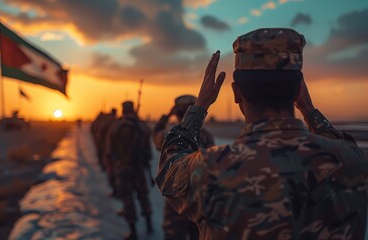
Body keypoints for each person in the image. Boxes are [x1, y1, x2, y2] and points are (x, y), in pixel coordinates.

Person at [156, 28, 368, 239]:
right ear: (298, 91)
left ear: (237, 93)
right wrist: (310, 112)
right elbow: (345, 147)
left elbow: (170, 167)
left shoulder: (211, 169)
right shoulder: (351, 162)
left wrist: (200, 106)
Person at [153, 95, 214, 240]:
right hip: (200, 201)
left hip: (177, 201)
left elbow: (155, 135)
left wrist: (167, 115)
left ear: (177, 112)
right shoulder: (207, 136)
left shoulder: (171, 136)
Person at [106, 101, 154, 240]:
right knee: (143, 195)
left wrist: (111, 167)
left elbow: (110, 151)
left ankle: (133, 232)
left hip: (123, 167)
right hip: (139, 167)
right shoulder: (142, 127)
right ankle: (149, 225)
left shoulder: (116, 127)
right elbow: (148, 151)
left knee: (127, 199)